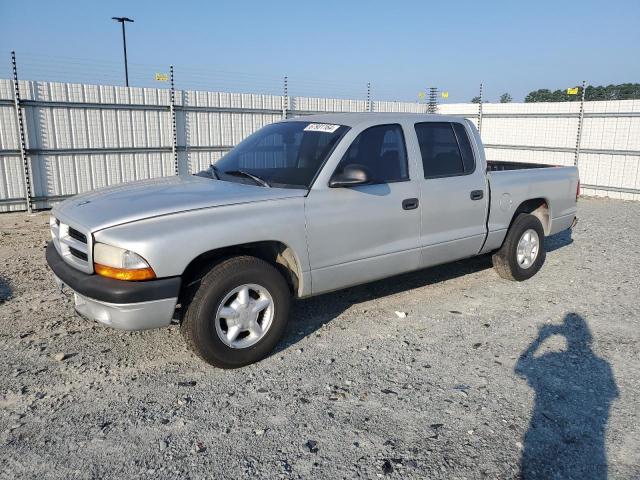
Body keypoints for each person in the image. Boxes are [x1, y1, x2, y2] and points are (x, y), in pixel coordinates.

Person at [515, 314, 618, 479]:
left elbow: (521, 368)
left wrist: (541, 337)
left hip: (542, 435)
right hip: (592, 451)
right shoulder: (603, 366)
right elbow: (611, 395)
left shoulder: (551, 358)